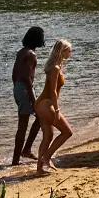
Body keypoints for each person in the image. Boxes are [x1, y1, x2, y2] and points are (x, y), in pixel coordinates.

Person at [34, 39, 73, 176]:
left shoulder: (57, 65)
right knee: (67, 132)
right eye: (69, 50)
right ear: (61, 52)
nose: (71, 53)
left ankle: (39, 169)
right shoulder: (55, 68)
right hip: (45, 104)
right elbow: (52, 91)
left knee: (48, 136)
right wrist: (57, 110)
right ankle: (47, 157)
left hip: (42, 104)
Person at [11, 26, 45, 165]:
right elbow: (26, 77)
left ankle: (20, 155)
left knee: (27, 123)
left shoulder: (21, 52)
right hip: (26, 89)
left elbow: (14, 74)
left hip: (18, 88)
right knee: (37, 119)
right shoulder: (31, 54)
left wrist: (16, 90)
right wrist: (33, 99)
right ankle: (22, 154)